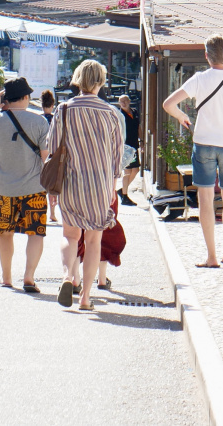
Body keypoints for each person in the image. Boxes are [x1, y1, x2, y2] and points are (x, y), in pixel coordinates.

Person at [161, 35, 223, 269]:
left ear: (206, 55)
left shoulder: (199, 79)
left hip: (203, 144)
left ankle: (211, 257)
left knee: (205, 199)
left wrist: (182, 116)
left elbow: (168, 104)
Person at [46, 59, 123, 311]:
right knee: (93, 241)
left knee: (70, 235)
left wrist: (52, 191)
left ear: (78, 79)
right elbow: (116, 156)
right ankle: (86, 298)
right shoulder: (111, 113)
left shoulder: (64, 109)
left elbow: (53, 148)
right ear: (100, 81)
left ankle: (68, 277)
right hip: (100, 184)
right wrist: (112, 187)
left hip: (70, 181)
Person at [0, 78, 49, 293]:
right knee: (35, 232)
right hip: (34, 187)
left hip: (4, 188)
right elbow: (46, 156)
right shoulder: (39, 122)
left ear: (6, 98)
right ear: (26, 97)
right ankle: (28, 276)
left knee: (5, 232)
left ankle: (6, 278)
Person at [40, 89, 60, 223]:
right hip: (53, 154)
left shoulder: (38, 119)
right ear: (52, 105)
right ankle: (52, 213)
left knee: (41, 184)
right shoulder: (55, 119)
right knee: (52, 184)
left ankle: (42, 211)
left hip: (39, 154)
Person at [117, 95, 140, 206]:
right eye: (121, 102)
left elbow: (138, 127)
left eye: (125, 101)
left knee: (135, 170)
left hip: (134, 145)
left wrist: (142, 141)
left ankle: (122, 190)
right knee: (127, 172)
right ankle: (125, 197)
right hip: (125, 146)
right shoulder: (119, 115)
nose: (123, 103)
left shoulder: (135, 112)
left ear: (129, 101)